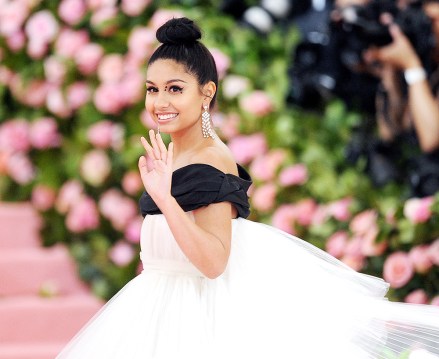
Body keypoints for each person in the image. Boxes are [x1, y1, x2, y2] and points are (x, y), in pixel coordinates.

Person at [56, 17, 439, 359]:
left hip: (201, 325)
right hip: (157, 316)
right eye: (152, 89)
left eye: (174, 89)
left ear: (206, 93)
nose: (159, 101)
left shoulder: (211, 159)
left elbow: (213, 262)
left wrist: (165, 200)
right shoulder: (175, 152)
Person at [362, 0, 439, 197]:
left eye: (433, 18)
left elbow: (431, 137)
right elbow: (390, 131)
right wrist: (390, 73)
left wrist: (412, 67)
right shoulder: (427, 69)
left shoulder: (418, 70)